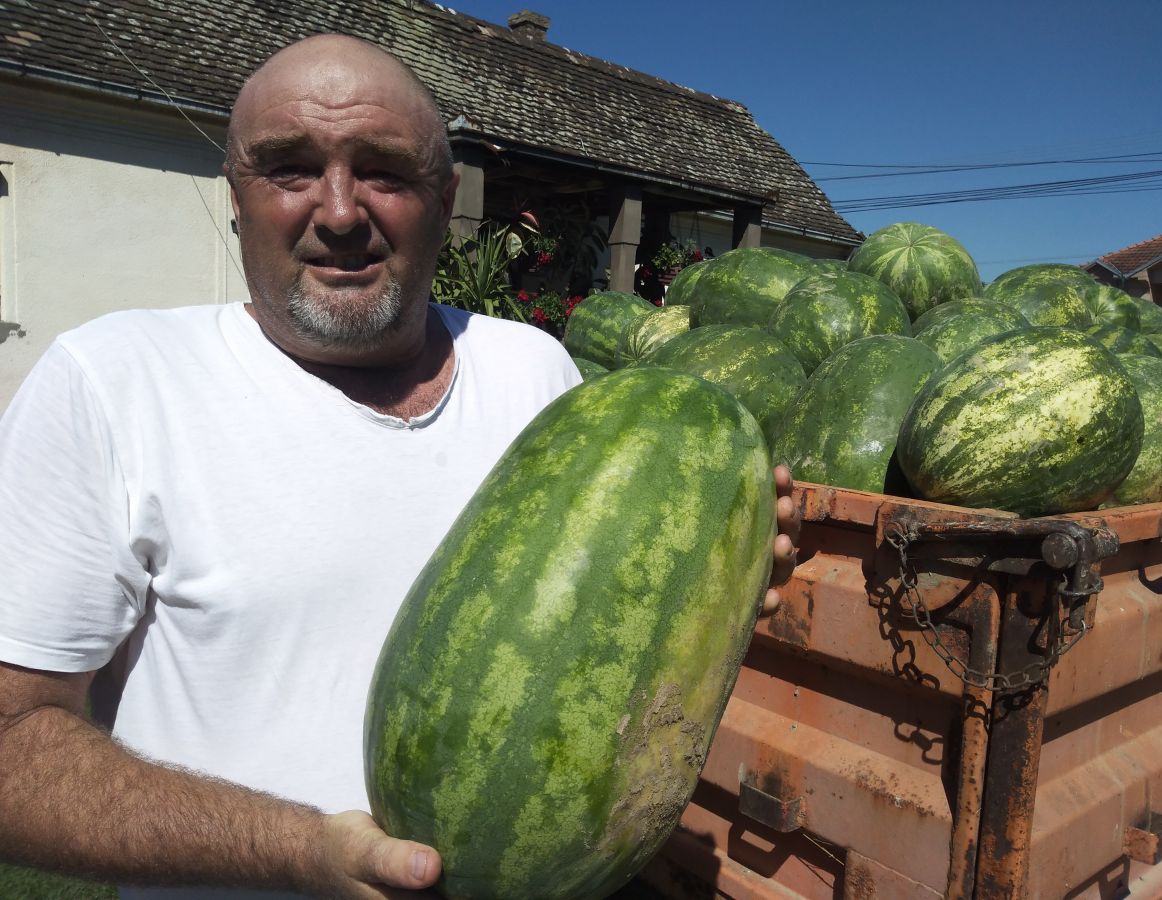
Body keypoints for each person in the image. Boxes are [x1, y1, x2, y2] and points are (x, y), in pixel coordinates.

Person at [0, 34, 800, 899]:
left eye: (384, 170)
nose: (340, 212)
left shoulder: (535, 370)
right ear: (234, 195)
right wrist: (302, 851)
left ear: (445, 197)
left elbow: (612, 653)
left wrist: (714, 581)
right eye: (289, 169)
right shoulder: (116, 380)